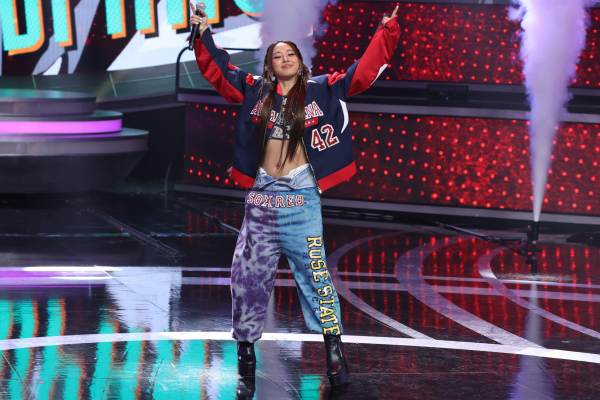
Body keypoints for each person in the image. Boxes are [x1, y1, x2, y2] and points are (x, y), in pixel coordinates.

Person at [191, 2, 400, 388]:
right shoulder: (254, 91)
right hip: (262, 201)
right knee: (247, 279)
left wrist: (386, 32)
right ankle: (245, 348)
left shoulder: (323, 88)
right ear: (269, 66)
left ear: (300, 62)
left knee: (317, 278)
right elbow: (218, 70)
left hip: (302, 201)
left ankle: (333, 348)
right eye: (277, 55)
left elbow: (363, 72)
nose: (284, 58)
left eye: (290, 54)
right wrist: (202, 32)